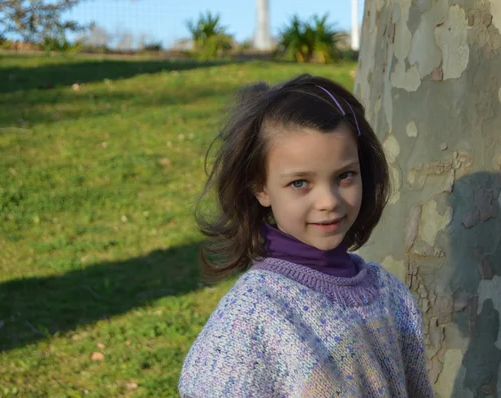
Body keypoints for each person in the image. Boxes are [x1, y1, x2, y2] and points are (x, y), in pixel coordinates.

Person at [178, 74, 433, 397]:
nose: (329, 202)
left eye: (345, 176)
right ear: (260, 187)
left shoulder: (392, 297)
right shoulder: (252, 315)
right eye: (300, 183)